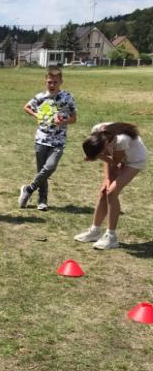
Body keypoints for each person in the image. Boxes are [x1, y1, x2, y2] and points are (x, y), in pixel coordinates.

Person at [74, 122, 147, 250]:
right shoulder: (97, 130)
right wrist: (107, 179)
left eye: (100, 153)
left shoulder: (121, 140)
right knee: (104, 191)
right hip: (116, 157)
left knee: (112, 192)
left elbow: (115, 162)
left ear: (106, 145)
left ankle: (111, 237)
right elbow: (108, 159)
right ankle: (95, 231)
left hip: (134, 161)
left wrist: (100, 156)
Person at [18, 66, 76, 211]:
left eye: (55, 82)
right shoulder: (40, 97)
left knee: (50, 167)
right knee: (41, 171)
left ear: (61, 82)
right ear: (45, 82)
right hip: (41, 139)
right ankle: (42, 200)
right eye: (49, 82)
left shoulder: (67, 97)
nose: (52, 85)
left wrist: (64, 121)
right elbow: (26, 107)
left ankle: (28, 189)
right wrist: (37, 115)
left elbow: (74, 118)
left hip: (58, 140)